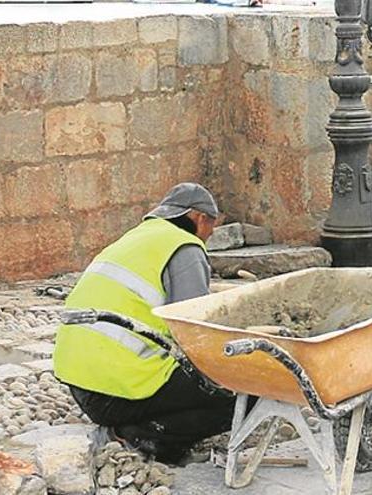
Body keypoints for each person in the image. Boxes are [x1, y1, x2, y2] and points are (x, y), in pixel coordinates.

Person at [53, 182, 236, 464]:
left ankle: (136, 424)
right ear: (200, 218)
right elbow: (195, 327)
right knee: (237, 396)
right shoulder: (185, 246)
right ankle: (145, 436)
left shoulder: (134, 238)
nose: (211, 235)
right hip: (121, 392)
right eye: (212, 226)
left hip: (81, 385)